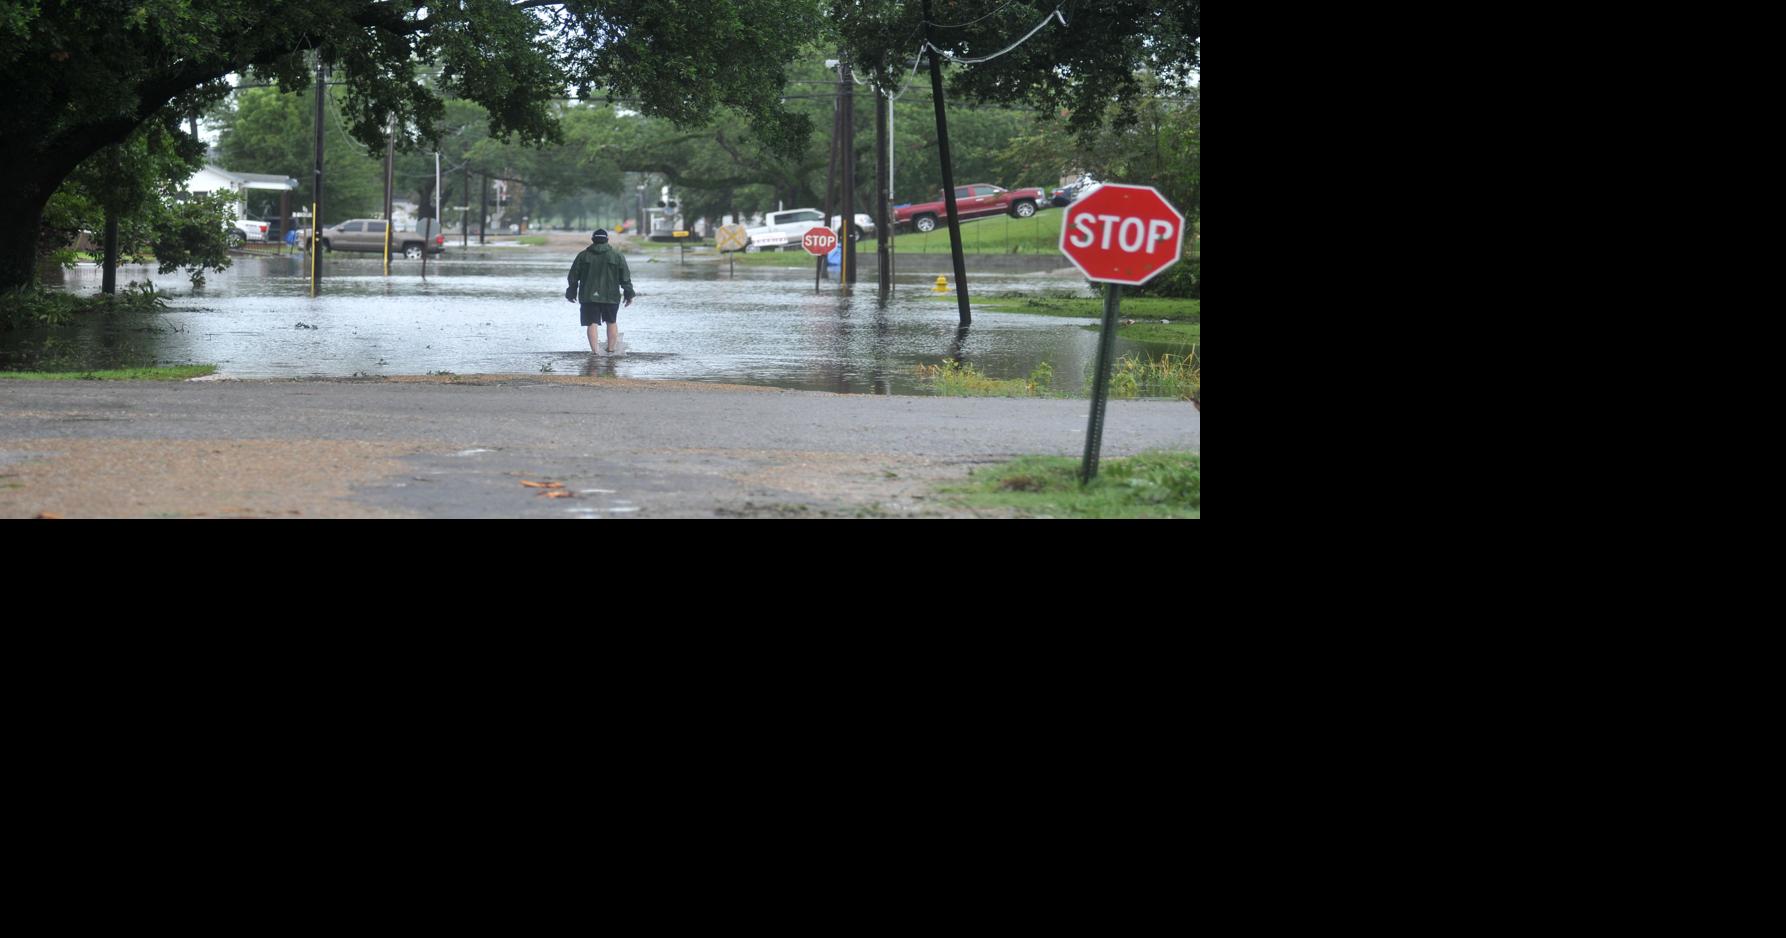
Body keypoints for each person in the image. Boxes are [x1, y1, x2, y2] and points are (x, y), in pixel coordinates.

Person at [565, 228, 634, 354]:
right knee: (611, 322)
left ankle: (595, 352)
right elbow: (625, 277)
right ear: (607, 240)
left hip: (588, 296)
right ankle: (611, 350)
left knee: (591, 323)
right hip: (611, 296)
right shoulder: (617, 255)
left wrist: (571, 292)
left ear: (593, 240)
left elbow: (573, 276)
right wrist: (629, 294)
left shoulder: (583, 255)